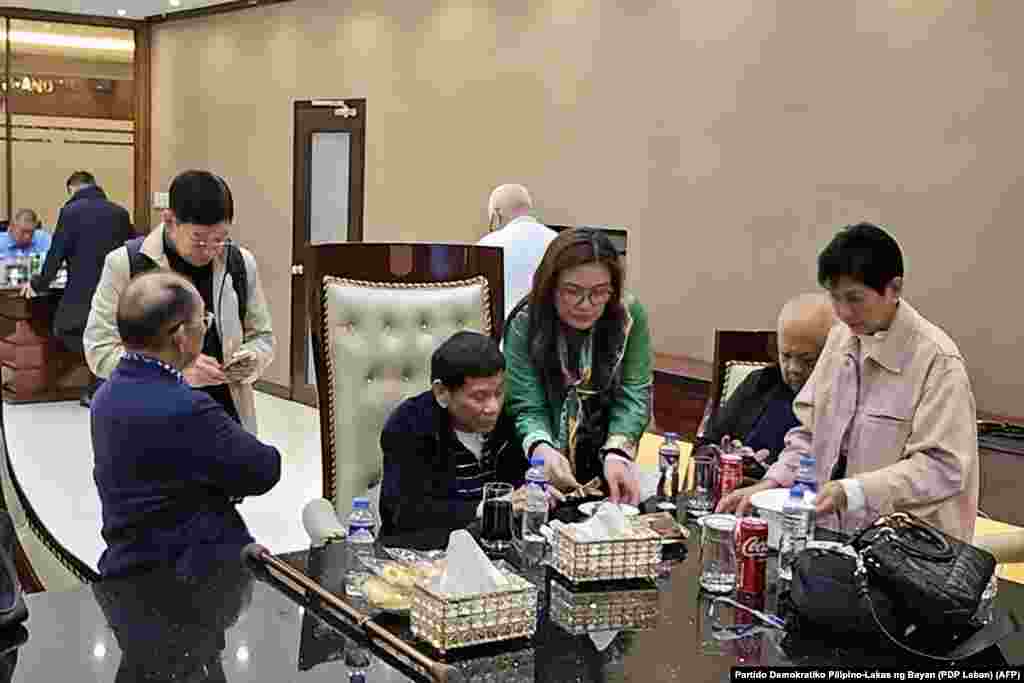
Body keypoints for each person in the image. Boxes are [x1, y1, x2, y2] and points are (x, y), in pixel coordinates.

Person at [717, 223, 979, 542]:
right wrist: (772, 483)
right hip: (836, 538)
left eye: (854, 298)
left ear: (893, 289)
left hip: (911, 552)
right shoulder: (841, 339)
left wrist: (854, 491)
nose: (843, 312)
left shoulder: (938, 362)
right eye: (835, 298)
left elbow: (942, 469)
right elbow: (810, 437)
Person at [91, 270, 281, 579]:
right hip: (185, 581)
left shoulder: (106, 396)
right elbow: (263, 469)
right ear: (180, 336)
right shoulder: (187, 407)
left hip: (127, 565)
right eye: (203, 321)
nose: (206, 328)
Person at [85, 170, 274, 434]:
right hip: (150, 421)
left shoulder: (240, 264)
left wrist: (252, 360)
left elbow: (263, 338)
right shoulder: (125, 264)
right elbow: (99, 349)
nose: (209, 250)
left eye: (219, 239)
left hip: (226, 418)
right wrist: (173, 371)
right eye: (198, 239)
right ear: (170, 221)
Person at [504, 228, 652, 505]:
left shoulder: (628, 315)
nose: (586, 305)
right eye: (572, 291)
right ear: (551, 286)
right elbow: (526, 405)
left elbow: (635, 392)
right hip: (534, 463)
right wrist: (542, 449)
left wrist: (618, 451)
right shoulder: (525, 321)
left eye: (599, 292)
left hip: (606, 461)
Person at [380, 331, 546, 539]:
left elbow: (521, 487)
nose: (493, 407)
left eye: (499, 392)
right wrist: (488, 508)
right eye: (479, 397)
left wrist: (538, 494)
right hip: (422, 559)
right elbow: (405, 514)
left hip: (497, 550)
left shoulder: (508, 418)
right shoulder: (409, 425)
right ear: (442, 392)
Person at [697, 293, 834, 478]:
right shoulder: (760, 382)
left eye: (807, 360)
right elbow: (705, 447)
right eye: (785, 356)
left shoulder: (839, 398)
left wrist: (768, 472)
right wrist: (725, 455)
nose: (793, 369)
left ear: (831, 354)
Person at [26, 172, 134, 405]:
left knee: (63, 329)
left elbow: (57, 253)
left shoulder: (71, 212)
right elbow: (132, 249)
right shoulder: (120, 212)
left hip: (82, 289)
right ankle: (102, 383)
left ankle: (100, 382)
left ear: (72, 189)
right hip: (118, 287)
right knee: (110, 336)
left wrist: (39, 284)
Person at [477, 184, 557, 322]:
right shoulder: (557, 241)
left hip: (502, 335)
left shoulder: (487, 244)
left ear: (497, 215)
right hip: (549, 332)